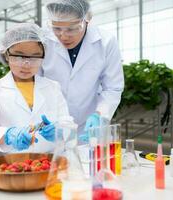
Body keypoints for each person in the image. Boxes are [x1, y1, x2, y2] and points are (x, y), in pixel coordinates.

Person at [0, 23, 73, 153]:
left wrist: (59, 130)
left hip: (50, 161)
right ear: (6, 54)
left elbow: (66, 121)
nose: (26, 64)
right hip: (12, 164)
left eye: (35, 57)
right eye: (19, 56)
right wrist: (8, 135)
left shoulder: (53, 87)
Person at [41, 0, 124, 136]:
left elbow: (113, 88)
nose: (63, 36)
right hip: (51, 124)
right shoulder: (43, 41)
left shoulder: (106, 42)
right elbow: (34, 84)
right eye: (56, 28)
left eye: (72, 29)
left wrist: (99, 115)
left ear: (87, 19)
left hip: (89, 125)